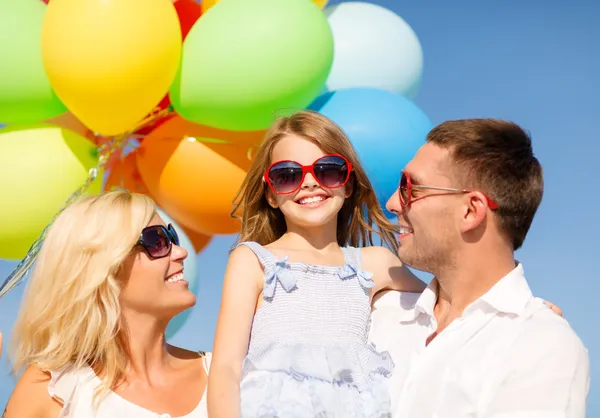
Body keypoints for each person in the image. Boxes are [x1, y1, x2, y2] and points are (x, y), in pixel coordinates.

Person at [207, 110, 425, 417]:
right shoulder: (253, 261)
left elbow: (444, 309)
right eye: (287, 175)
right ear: (271, 194)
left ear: (347, 185)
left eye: (328, 170)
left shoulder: (376, 264)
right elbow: (226, 368)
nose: (309, 183)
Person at [370, 118, 589, 417]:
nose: (393, 203)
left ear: (471, 210)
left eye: (410, 187)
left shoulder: (541, 345)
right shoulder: (377, 313)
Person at [4, 191, 210, 418]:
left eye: (172, 238)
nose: (181, 253)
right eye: (157, 240)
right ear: (104, 268)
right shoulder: (52, 389)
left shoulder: (225, 374)